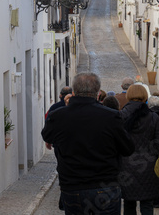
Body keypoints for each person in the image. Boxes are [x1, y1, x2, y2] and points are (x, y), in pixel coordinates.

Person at [42, 73, 135, 215]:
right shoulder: (111, 116)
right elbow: (128, 148)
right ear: (97, 94)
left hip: (72, 186)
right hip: (106, 186)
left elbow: (47, 135)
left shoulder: (58, 116)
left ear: (73, 92)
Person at [119, 85, 159, 215]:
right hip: (147, 165)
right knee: (147, 204)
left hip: (126, 166)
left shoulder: (120, 116)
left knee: (128, 203)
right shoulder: (153, 117)